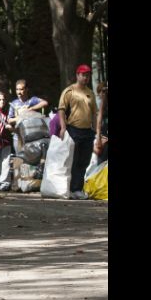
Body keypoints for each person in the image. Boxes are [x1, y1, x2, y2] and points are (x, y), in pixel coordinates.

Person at [57, 64, 98, 200]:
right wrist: (63, 127)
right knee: (73, 160)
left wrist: (95, 130)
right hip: (73, 129)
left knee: (84, 161)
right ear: (77, 75)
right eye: (83, 75)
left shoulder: (90, 93)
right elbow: (61, 110)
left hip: (88, 132)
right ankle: (71, 188)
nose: (86, 77)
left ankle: (77, 189)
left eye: (88, 75)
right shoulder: (69, 91)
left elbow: (94, 113)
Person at [7, 79, 49, 153]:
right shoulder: (14, 103)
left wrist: (31, 109)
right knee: (20, 157)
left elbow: (45, 103)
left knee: (33, 157)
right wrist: (21, 117)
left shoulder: (32, 100)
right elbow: (9, 120)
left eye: (21, 89)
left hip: (32, 136)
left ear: (26, 89)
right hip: (18, 136)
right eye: (17, 89)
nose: (19, 92)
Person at [94, 81, 108, 164]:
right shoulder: (101, 105)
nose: (100, 95)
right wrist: (98, 138)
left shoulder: (102, 104)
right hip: (103, 139)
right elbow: (98, 123)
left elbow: (99, 123)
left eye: (102, 92)